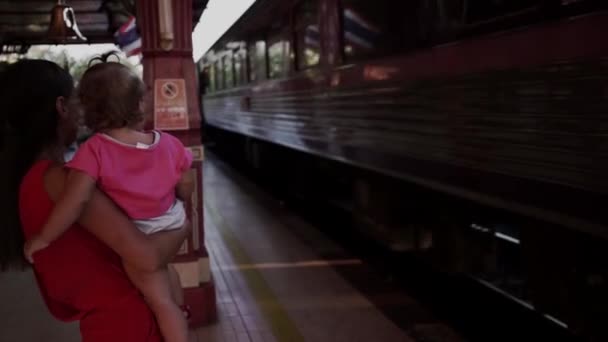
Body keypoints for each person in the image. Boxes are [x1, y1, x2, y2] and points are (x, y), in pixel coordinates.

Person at [0, 59, 192, 341]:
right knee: (167, 290)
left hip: (107, 323)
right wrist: (185, 224)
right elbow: (148, 257)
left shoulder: (27, 182)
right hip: (128, 324)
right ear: (61, 106)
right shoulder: (61, 182)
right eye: (78, 100)